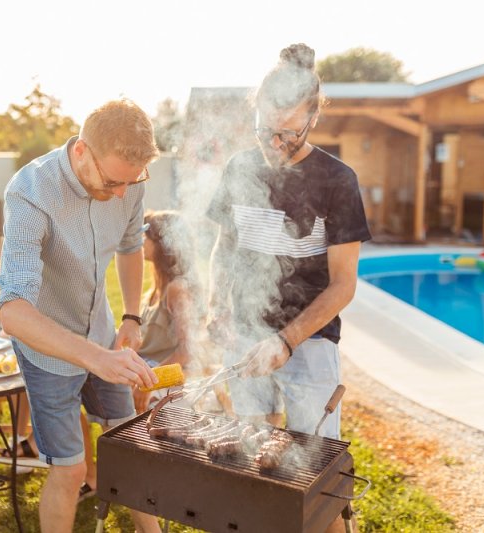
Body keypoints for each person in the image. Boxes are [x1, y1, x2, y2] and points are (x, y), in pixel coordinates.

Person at [206, 44, 371, 531]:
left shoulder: (337, 180)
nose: (273, 142)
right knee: (254, 463)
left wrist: (286, 340)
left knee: (317, 483)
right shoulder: (240, 167)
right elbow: (224, 247)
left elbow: (343, 286)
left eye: (287, 132)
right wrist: (217, 306)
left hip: (311, 343)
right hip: (243, 336)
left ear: (313, 118)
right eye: (264, 129)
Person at [0, 99, 162, 533]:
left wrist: (131, 316)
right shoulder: (30, 192)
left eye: (133, 181)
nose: (123, 193)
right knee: (69, 471)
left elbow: (130, 246)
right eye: (113, 181)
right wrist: (96, 359)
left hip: (104, 334)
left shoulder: (128, 180)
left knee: (130, 449)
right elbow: (12, 310)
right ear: (82, 151)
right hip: (47, 352)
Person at [132, 209, 204, 414]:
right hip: (145, 372)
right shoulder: (154, 289)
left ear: (163, 243)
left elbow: (187, 351)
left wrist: (149, 382)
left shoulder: (177, 289)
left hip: (164, 379)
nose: (139, 239)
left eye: (144, 234)